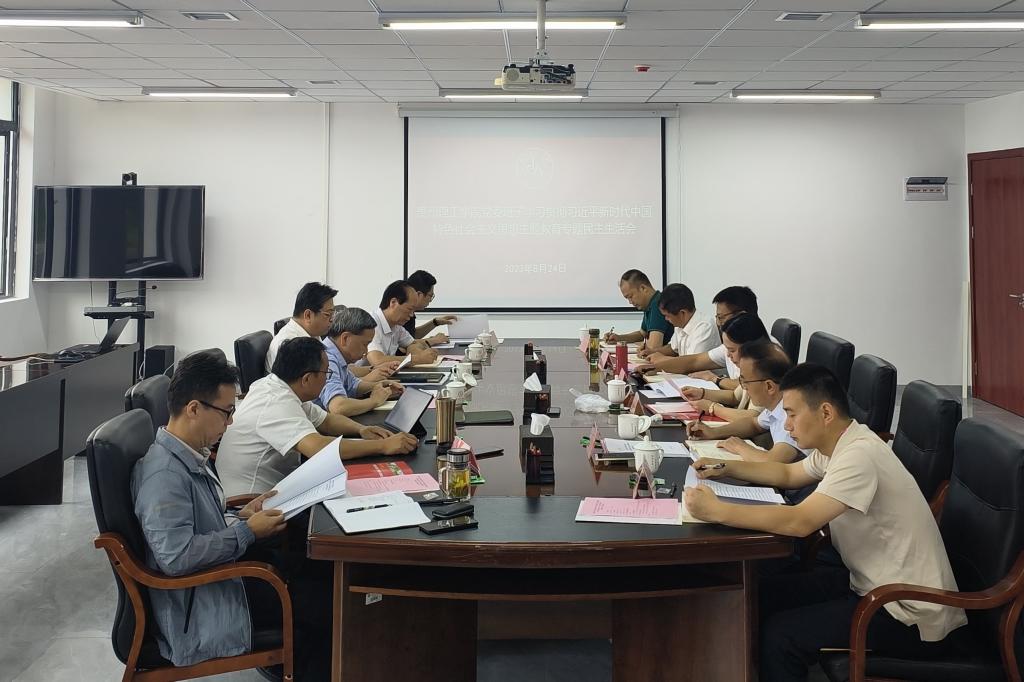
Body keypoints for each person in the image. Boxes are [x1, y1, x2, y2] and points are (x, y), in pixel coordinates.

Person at [684, 363, 968, 682]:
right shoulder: (840, 443)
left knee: (781, 638)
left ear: (826, 413)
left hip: (909, 612)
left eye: (792, 414)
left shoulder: (859, 456)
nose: (787, 425)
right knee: (756, 595)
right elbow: (788, 474)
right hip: (870, 584)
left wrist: (716, 511)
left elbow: (800, 521)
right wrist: (726, 467)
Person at [131, 352, 331, 677]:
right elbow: (176, 557)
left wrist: (242, 516)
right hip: (204, 607)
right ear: (194, 409)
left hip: (222, 580)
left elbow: (198, 525)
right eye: (227, 412)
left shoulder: (186, 454)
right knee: (324, 604)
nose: (231, 422)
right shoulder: (163, 476)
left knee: (316, 570)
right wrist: (247, 531)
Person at [217, 336, 418, 498]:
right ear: (307, 378)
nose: (327, 379)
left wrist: (361, 430)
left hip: (280, 487)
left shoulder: (279, 386)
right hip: (251, 504)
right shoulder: (274, 402)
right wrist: (383, 446)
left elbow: (327, 421)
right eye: (326, 373)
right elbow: (318, 448)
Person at [687, 341, 809, 463]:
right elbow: (754, 424)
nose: (744, 387)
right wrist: (713, 432)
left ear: (769, 387)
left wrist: (739, 447)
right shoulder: (776, 403)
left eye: (746, 382)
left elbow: (772, 462)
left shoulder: (791, 416)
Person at [318, 307, 404, 416]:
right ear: (345, 338)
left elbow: (353, 385)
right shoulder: (327, 359)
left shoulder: (337, 356)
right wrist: (374, 401)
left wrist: (381, 385)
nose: (366, 351)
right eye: (364, 344)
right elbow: (338, 407)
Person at [265, 282, 337, 373]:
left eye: (333, 314)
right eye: (328, 314)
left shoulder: (313, 334)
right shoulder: (288, 345)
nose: (331, 320)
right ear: (308, 315)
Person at [364, 280, 439, 367]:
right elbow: (377, 361)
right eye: (409, 309)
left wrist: (414, 352)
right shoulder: (372, 323)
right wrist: (418, 358)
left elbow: (413, 343)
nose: (411, 315)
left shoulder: (396, 326)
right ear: (393, 303)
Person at [642, 283, 718, 362]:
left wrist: (662, 359)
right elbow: (673, 348)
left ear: (682, 313)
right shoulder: (680, 323)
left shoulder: (704, 327)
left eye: (667, 316)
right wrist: (651, 352)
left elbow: (692, 362)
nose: (666, 319)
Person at [603, 269, 673, 354]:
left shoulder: (658, 305)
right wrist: (619, 338)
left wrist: (642, 347)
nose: (630, 302)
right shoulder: (649, 304)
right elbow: (642, 334)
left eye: (630, 296)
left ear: (643, 288)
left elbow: (653, 347)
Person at [405, 269, 457, 345]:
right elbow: (403, 344)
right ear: (419, 294)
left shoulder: (410, 312)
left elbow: (411, 336)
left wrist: (435, 322)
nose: (430, 300)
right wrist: (434, 340)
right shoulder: (402, 313)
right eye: (430, 295)